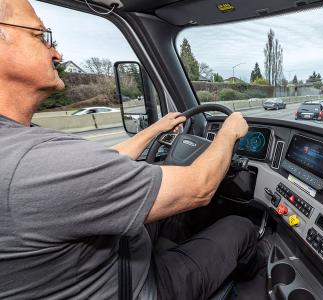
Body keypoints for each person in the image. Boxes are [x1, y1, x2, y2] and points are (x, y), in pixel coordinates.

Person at [0, 1, 262, 299]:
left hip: (108, 264)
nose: (56, 52)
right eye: (39, 36)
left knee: (176, 220)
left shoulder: (17, 146)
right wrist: (228, 133)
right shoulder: (29, 161)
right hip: (139, 287)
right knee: (241, 226)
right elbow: (198, 188)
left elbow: (99, 166)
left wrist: (155, 129)